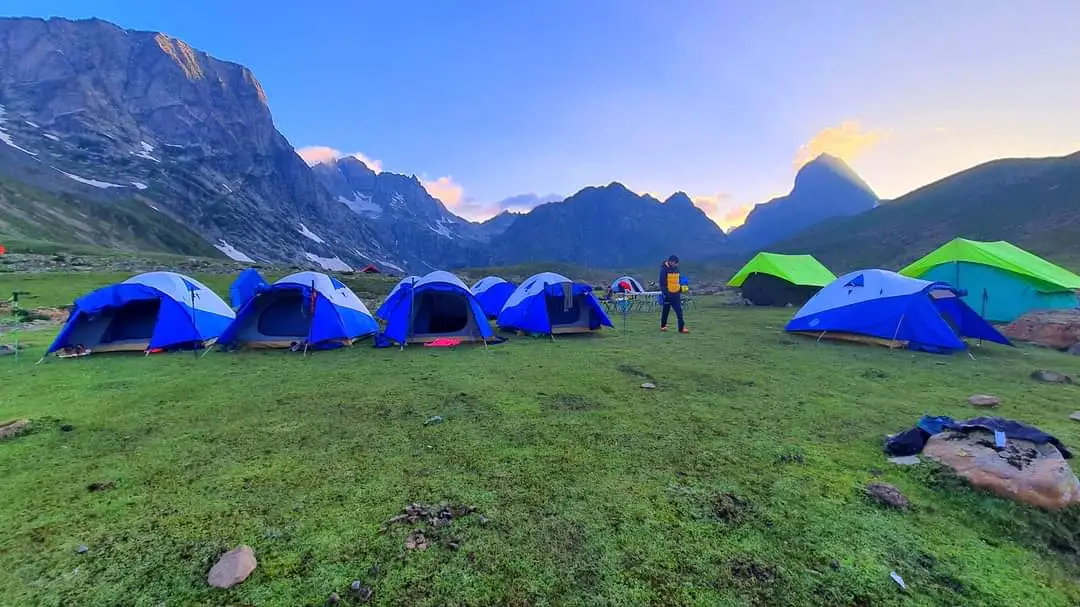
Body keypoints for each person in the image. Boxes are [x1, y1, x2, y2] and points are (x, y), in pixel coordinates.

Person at [659, 255, 688, 333]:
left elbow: (678, 281)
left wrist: (680, 289)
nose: (676, 265)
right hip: (668, 295)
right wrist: (666, 294)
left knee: (679, 312)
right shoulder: (664, 270)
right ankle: (663, 326)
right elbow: (662, 284)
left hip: (676, 294)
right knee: (665, 311)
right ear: (671, 262)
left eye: (677, 263)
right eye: (675, 263)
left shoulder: (676, 269)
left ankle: (681, 328)